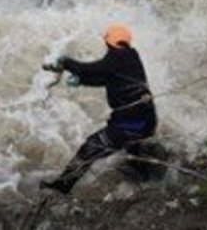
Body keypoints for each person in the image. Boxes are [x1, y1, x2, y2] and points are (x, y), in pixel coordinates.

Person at [40, 23, 159, 195]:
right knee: (134, 151)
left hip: (130, 125)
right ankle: (147, 180)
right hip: (147, 120)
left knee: (90, 148)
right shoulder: (132, 55)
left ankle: (62, 187)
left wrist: (66, 62)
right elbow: (108, 78)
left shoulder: (114, 59)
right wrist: (83, 81)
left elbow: (88, 69)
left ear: (108, 42)